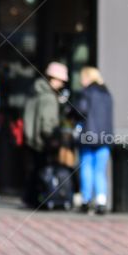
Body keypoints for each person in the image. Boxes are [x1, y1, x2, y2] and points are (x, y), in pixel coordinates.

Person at [22, 61, 66, 207]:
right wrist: (52, 137)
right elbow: (47, 123)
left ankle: (29, 198)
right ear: (52, 78)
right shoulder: (49, 97)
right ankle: (40, 199)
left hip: (30, 137)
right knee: (42, 170)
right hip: (42, 140)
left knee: (33, 170)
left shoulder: (34, 91)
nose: (61, 84)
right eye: (60, 81)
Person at [73, 66, 113, 214]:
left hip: (88, 136)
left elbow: (79, 111)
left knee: (87, 167)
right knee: (100, 170)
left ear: (89, 78)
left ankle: (86, 200)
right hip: (105, 137)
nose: (81, 81)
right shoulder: (107, 94)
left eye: (83, 77)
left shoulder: (87, 93)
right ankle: (101, 200)